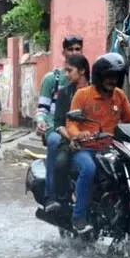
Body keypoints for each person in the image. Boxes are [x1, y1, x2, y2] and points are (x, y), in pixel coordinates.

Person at [65, 52, 130, 234]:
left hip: (111, 149)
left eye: (116, 76)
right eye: (108, 76)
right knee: (88, 169)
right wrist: (78, 135)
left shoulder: (119, 96)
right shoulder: (83, 95)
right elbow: (71, 123)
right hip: (86, 150)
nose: (112, 80)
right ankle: (79, 217)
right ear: (99, 76)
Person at [35, 35, 84, 210]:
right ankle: (50, 196)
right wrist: (41, 122)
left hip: (80, 127)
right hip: (55, 126)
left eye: (77, 49)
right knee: (55, 142)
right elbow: (42, 109)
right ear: (63, 52)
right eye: (70, 49)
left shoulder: (86, 77)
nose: (74, 52)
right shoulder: (52, 79)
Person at [44, 54, 91, 213]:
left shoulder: (96, 92)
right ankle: (60, 200)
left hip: (94, 140)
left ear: (82, 71)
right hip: (69, 139)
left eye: (69, 71)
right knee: (61, 163)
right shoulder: (64, 93)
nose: (66, 75)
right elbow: (59, 123)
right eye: (65, 71)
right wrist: (73, 138)